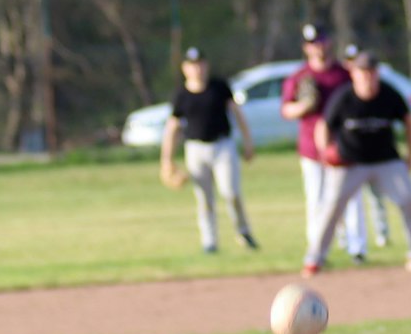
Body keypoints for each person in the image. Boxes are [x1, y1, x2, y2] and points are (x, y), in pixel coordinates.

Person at [302, 50, 411, 276]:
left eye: (371, 72)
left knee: (407, 199)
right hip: (350, 162)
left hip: (386, 160)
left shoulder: (389, 94)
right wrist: (325, 153)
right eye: (363, 72)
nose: (367, 77)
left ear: (377, 73)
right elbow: (323, 125)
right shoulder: (344, 97)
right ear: (354, 74)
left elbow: (409, 121)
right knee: (331, 207)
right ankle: (315, 259)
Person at [281, 24, 371, 262]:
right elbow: (286, 109)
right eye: (312, 43)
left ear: (328, 42)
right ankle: (318, 252)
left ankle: (357, 249)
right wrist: (303, 106)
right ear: (305, 47)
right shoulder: (299, 77)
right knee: (317, 201)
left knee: (351, 199)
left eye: (320, 41)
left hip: (344, 147)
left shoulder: (343, 75)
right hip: (311, 150)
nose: (317, 47)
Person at [159, 47, 257, 253]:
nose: (197, 69)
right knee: (204, 198)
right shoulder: (182, 95)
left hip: (223, 146)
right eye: (192, 65)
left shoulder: (219, 87)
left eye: (200, 63)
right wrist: (167, 160)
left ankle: (243, 232)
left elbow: (237, 113)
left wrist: (248, 142)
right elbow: (172, 128)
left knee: (231, 192)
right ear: (185, 68)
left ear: (206, 65)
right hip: (195, 149)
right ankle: (209, 241)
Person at [342, 43, 395, 246]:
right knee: (345, 201)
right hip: (351, 154)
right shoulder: (344, 91)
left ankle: (382, 234)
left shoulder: (379, 89)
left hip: (377, 153)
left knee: (376, 196)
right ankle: (346, 238)